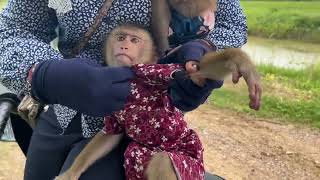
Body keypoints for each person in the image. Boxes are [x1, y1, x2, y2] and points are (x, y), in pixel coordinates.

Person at [0, 0, 260, 179]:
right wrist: (43, 73)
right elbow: (12, 29)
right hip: (63, 105)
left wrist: (204, 46)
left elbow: (230, 23)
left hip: (148, 117)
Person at [57, 24, 206, 180]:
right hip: (141, 157)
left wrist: (197, 72)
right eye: (120, 38)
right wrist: (73, 172)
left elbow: (182, 73)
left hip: (177, 154)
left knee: (161, 162)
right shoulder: (113, 88)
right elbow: (110, 133)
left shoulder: (155, 75)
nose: (124, 45)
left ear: (153, 54)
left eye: (134, 40)